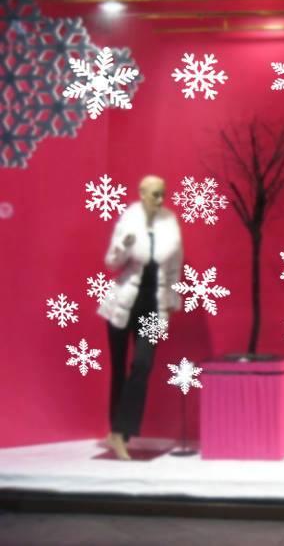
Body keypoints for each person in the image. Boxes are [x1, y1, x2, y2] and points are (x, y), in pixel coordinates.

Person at [97, 175, 183, 460]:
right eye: (155, 194)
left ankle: (120, 430)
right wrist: (123, 245)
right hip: (124, 303)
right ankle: (117, 433)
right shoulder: (129, 220)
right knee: (119, 368)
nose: (161, 199)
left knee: (142, 365)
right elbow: (111, 263)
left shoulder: (170, 224)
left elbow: (174, 267)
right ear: (142, 194)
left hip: (152, 305)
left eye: (163, 194)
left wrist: (170, 299)